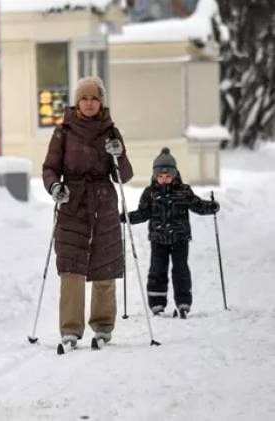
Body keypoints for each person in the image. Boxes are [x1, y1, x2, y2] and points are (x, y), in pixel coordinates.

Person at [43, 76, 133, 348]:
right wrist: (55, 187)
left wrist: (118, 155)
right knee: (71, 268)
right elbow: (49, 169)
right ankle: (70, 328)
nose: (89, 103)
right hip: (73, 204)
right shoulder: (63, 132)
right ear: (77, 101)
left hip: (103, 204)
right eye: (84, 98)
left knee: (104, 266)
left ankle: (103, 325)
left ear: (101, 101)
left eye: (94, 98)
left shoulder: (111, 132)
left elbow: (124, 176)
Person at [121, 147, 219, 318]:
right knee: (157, 270)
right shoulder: (150, 193)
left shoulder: (183, 191)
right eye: (161, 176)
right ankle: (157, 304)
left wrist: (211, 207)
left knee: (180, 270)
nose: (164, 179)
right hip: (158, 239)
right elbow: (143, 214)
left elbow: (197, 205)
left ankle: (183, 303)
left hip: (180, 238)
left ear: (174, 174)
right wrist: (126, 218)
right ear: (155, 175)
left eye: (168, 176)